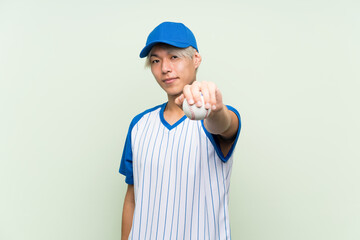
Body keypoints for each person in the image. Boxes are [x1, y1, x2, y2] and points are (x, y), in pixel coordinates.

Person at [119, 21, 241, 240]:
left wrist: (215, 109)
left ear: (196, 59)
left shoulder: (215, 116)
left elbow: (225, 125)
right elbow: (132, 198)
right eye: (156, 60)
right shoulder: (139, 124)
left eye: (174, 56)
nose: (164, 68)